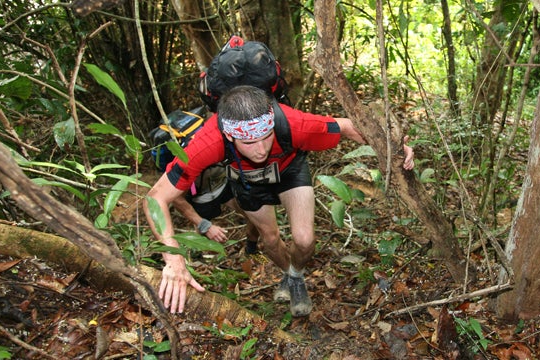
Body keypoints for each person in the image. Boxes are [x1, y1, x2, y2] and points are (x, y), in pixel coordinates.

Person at [144, 85, 415, 317]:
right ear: (229, 135)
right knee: (270, 240)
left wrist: (395, 147)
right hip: (247, 179)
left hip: (289, 170)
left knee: (305, 239)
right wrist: (174, 258)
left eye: (266, 136)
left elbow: (347, 127)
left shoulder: (292, 123)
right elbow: (155, 197)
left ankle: (295, 275)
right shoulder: (207, 142)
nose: (260, 149)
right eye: (249, 142)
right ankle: (289, 272)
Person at [170, 163, 260, 253]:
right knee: (201, 235)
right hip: (202, 197)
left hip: (225, 185)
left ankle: (251, 251)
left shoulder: (227, 150)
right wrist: (204, 225)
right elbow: (176, 199)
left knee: (254, 216)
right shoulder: (189, 161)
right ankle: (197, 256)